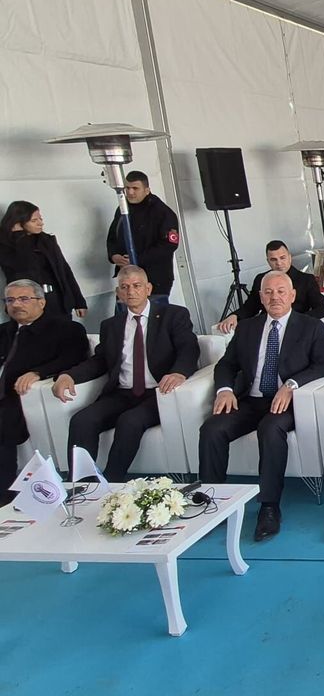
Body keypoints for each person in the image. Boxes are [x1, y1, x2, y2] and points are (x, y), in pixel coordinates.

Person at [198, 271, 324, 541]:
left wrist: (291, 385)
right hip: (251, 399)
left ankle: (269, 506)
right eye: (268, 292)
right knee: (212, 429)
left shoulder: (310, 327)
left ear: (292, 295)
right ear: (260, 297)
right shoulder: (248, 327)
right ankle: (213, 500)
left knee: (270, 430)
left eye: (281, 292)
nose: (275, 297)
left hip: (286, 402)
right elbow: (226, 364)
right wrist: (224, 390)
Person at [56, 267, 199, 481]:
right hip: (121, 393)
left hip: (158, 393)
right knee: (82, 420)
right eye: (124, 287)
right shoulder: (111, 325)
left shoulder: (173, 315)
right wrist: (69, 376)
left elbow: (189, 348)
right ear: (118, 293)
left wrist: (179, 372)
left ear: (148, 288)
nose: (131, 291)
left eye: (136, 286)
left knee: (129, 421)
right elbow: (100, 361)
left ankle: (111, 481)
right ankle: (81, 484)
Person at [0, 280, 89, 505]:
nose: (16, 304)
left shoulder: (65, 329)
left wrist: (39, 373)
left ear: (41, 302)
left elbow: (74, 357)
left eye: (23, 299)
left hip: (17, 397)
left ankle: (4, 496)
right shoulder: (4, 331)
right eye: (10, 300)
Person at [216, 241, 324, 333]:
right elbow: (251, 307)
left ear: (290, 257)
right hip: (265, 327)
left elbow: (322, 309)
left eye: (282, 258)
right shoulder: (261, 279)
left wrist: (295, 320)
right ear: (268, 261)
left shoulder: (306, 280)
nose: (279, 263)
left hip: (294, 327)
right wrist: (235, 316)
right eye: (273, 260)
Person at [0, 201, 86, 318]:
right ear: (18, 223)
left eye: (40, 218)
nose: (41, 223)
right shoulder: (6, 245)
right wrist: (19, 236)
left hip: (58, 302)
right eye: (34, 220)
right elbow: (24, 268)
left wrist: (79, 301)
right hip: (28, 306)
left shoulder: (46, 240)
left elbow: (64, 270)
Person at [106, 171, 179, 301]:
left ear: (147, 190)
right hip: (127, 279)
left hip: (155, 279)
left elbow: (169, 245)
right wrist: (113, 255)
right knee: (125, 313)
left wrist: (136, 259)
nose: (130, 192)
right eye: (127, 188)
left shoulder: (163, 213)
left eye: (135, 188)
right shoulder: (123, 209)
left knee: (154, 313)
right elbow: (112, 236)